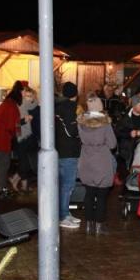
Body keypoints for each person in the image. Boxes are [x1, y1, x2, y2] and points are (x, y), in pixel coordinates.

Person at [78, 95, 117, 235]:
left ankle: (88, 225)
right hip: (101, 160)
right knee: (101, 196)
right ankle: (99, 225)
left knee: (89, 193)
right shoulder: (105, 123)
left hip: (86, 159)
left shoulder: (81, 122)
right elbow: (112, 144)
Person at [57, 82, 82, 230]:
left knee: (62, 185)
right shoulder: (71, 108)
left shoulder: (57, 107)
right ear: (75, 94)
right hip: (69, 151)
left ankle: (65, 212)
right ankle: (63, 215)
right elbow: (72, 131)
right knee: (68, 185)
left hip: (59, 150)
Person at [0, 82, 21, 198]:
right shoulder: (12, 106)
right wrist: (17, 136)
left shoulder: (6, 104)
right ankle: (2, 189)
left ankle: (2, 188)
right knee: (4, 164)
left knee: (3, 164)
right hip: (3, 139)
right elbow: (12, 125)